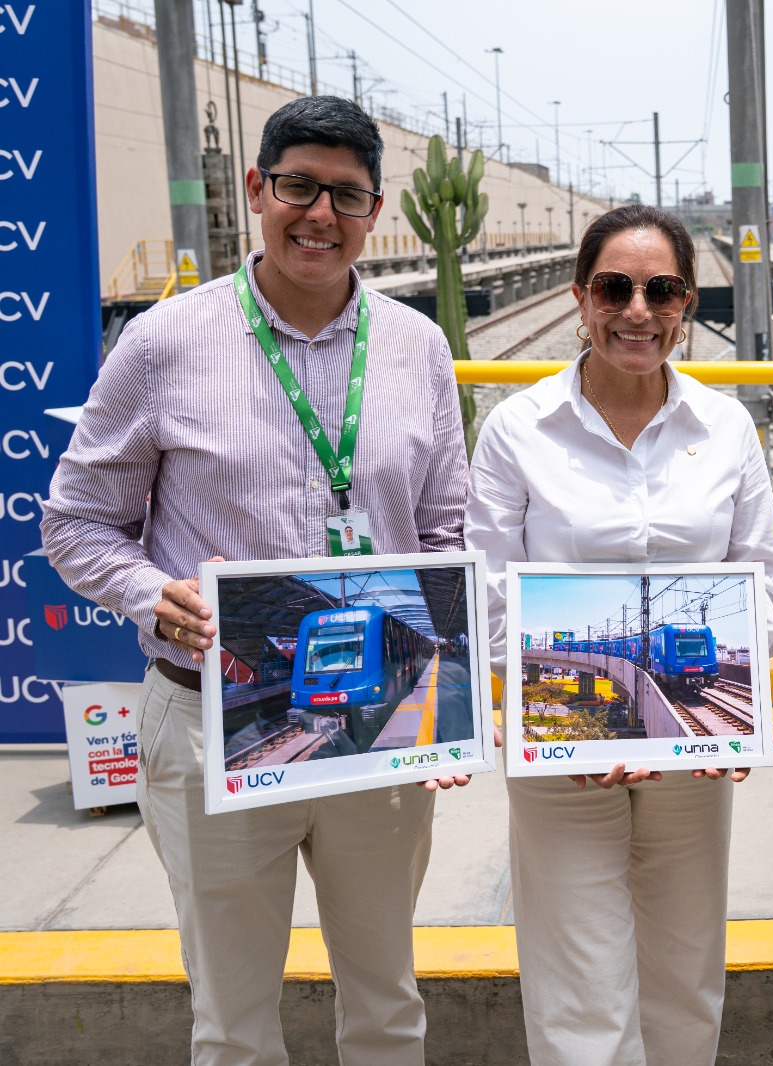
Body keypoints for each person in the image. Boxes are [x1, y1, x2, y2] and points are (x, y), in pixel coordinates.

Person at [40, 96, 469, 1065]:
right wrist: (157, 596)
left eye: (345, 195)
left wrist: (451, 705)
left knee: (389, 1007)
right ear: (255, 191)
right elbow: (72, 520)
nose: (319, 214)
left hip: (380, 735)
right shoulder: (161, 346)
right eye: (298, 187)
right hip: (209, 726)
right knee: (231, 1025)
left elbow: (448, 530)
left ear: (375, 210)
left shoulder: (418, 347)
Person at [464, 203, 773, 1066]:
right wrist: (576, 720)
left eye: (662, 290)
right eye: (615, 287)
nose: (637, 310)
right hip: (564, 747)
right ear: (581, 297)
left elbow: (763, 578)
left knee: (684, 972)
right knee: (580, 984)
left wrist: (747, 712)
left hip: (690, 767)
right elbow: (489, 595)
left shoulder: (725, 430)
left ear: (685, 305)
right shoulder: (517, 429)